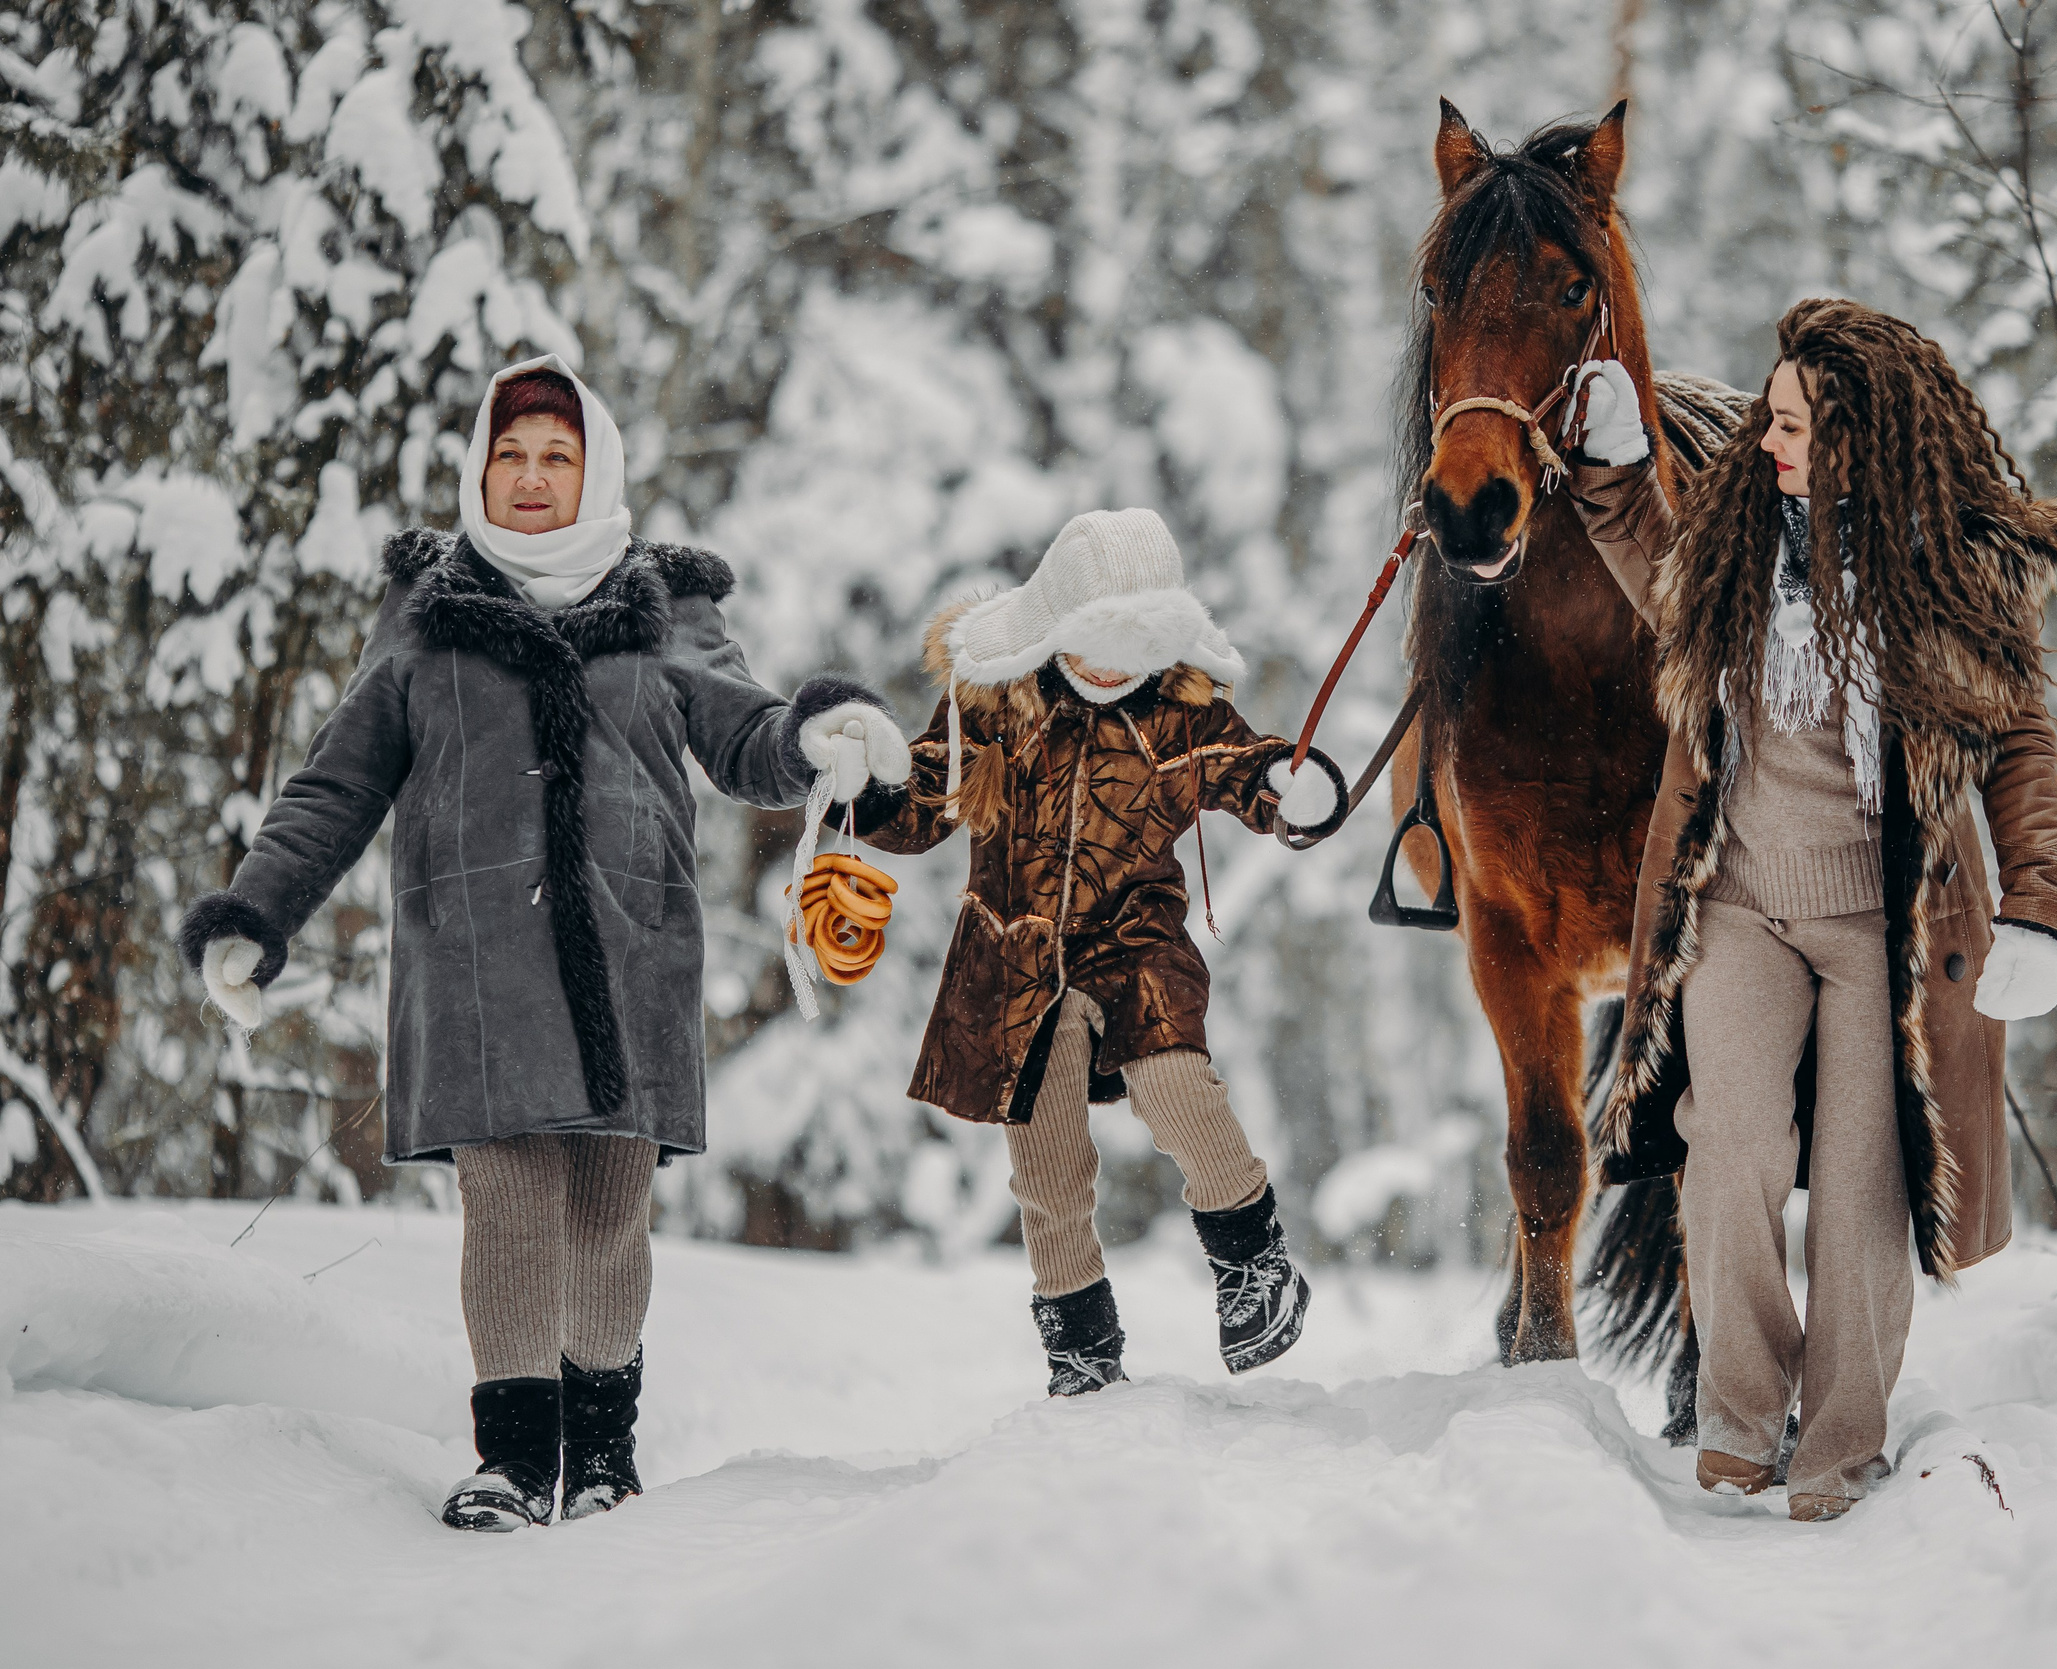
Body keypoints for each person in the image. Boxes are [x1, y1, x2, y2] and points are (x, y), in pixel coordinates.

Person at [180, 354, 906, 1532]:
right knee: (510, 1205)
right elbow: (337, 781)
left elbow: (745, 736)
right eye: (509, 455)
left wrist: (823, 734)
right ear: (479, 467)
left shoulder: (666, 606)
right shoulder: (425, 613)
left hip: (633, 950)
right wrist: (255, 912)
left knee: (608, 1215)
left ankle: (606, 1456)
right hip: (475, 961)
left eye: (555, 456)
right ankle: (515, 1463)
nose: (529, 477)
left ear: (594, 469)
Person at [1564, 299, 2057, 1521]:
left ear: (1856, 438)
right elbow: (1646, 554)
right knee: (1726, 1151)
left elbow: (2016, 738)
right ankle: (1740, 1420)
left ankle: (1842, 1447)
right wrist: (1614, 461)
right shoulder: (1736, 546)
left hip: (1883, 934)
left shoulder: (1944, 575)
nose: (1766, 438)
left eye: (1792, 423)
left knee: (1862, 1187)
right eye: (1769, 414)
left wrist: (2040, 905)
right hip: (1737, 907)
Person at [821, 509, 1349, 1395]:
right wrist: (864, 795)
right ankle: (1079, 1341)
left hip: (1136, 938)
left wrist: (1282, 788)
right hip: (1017, 953)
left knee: (1177, 1083)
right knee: (1048, 1150)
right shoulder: (996, 706)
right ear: (1055, 626)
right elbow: (923, 798)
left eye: (1135, 647)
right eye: (1094, 642)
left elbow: (1243, 762)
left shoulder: (1180, 711)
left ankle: (1255, 1261)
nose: (1112, 667)